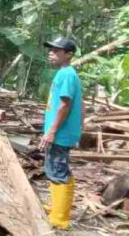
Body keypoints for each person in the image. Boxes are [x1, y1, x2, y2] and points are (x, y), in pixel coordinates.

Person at [39, 37, 83, 230]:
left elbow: (65, 106)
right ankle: (57, 207)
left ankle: (60, 218)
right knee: (59, 168)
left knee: (57, 171)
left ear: (69, 54)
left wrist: (51, 132)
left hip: (60, 134)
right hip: (63, 133)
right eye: (51, 50)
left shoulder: (67, 75)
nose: (52, 53)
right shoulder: (67, 73)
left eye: (57, 51)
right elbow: (82, 106)